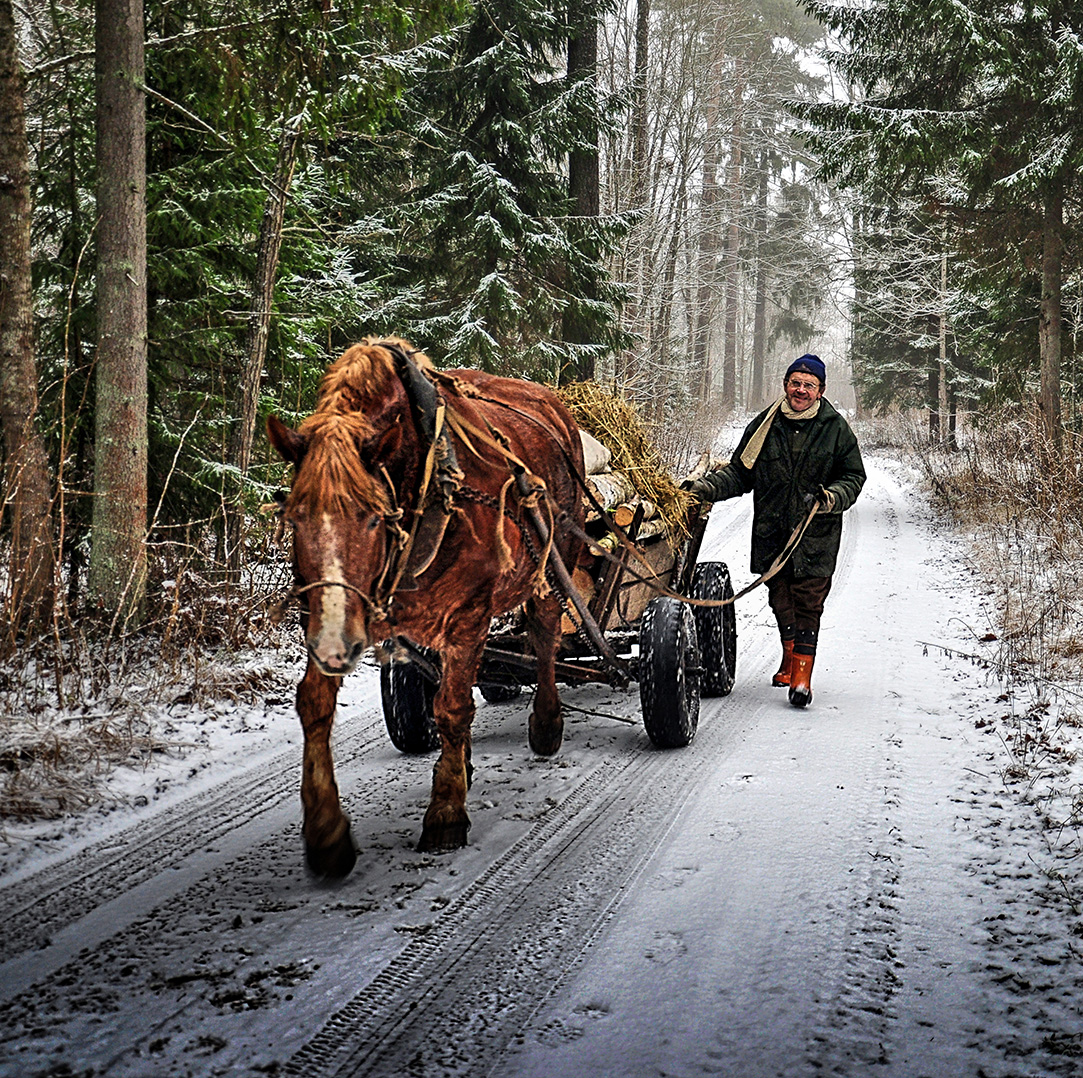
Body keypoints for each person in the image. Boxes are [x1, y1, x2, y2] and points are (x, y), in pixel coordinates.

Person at [684, 354, 865, 707]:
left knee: (809, 602)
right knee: (780, 599)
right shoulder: (764, 425)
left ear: (821, 390)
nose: (800, 390)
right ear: (785, 385)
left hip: (816, 534)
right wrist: (704, 488)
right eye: (795, 382)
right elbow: (740, 473)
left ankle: (801, 678)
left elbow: (854, 477)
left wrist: (831, 498)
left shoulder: (836, 429)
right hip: (772, 531)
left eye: (808, 385)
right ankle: (789, 658)